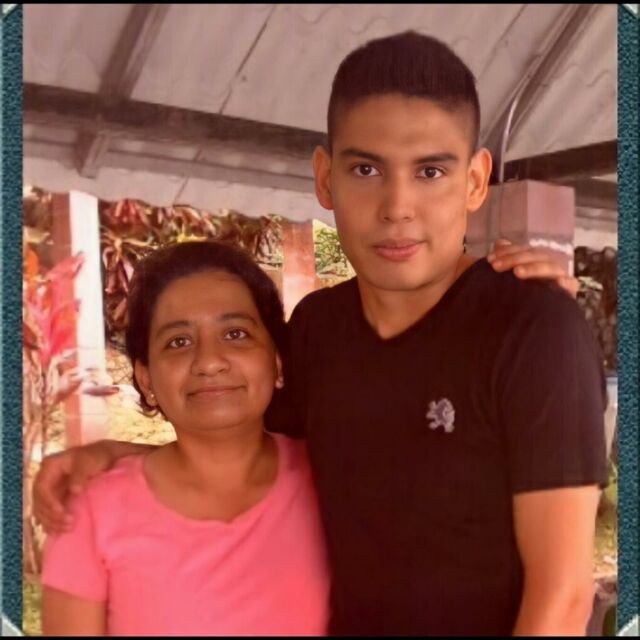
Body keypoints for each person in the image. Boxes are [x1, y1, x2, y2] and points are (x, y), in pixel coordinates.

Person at [35, 32, 606, 636]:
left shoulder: (532, 330)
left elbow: (563, 597)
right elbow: (240, 452)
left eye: (430, 171)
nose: (397, 206)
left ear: (474, 181)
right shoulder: (318, 329)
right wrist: (112, 455)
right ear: (326, 179)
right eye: (366, 169)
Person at [40, 241, 330, 636]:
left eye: (236, 333)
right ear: (146, 379)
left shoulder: (332, 479)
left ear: (277, 363)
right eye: (178, 342)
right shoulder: (93, 512)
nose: (209, 362)